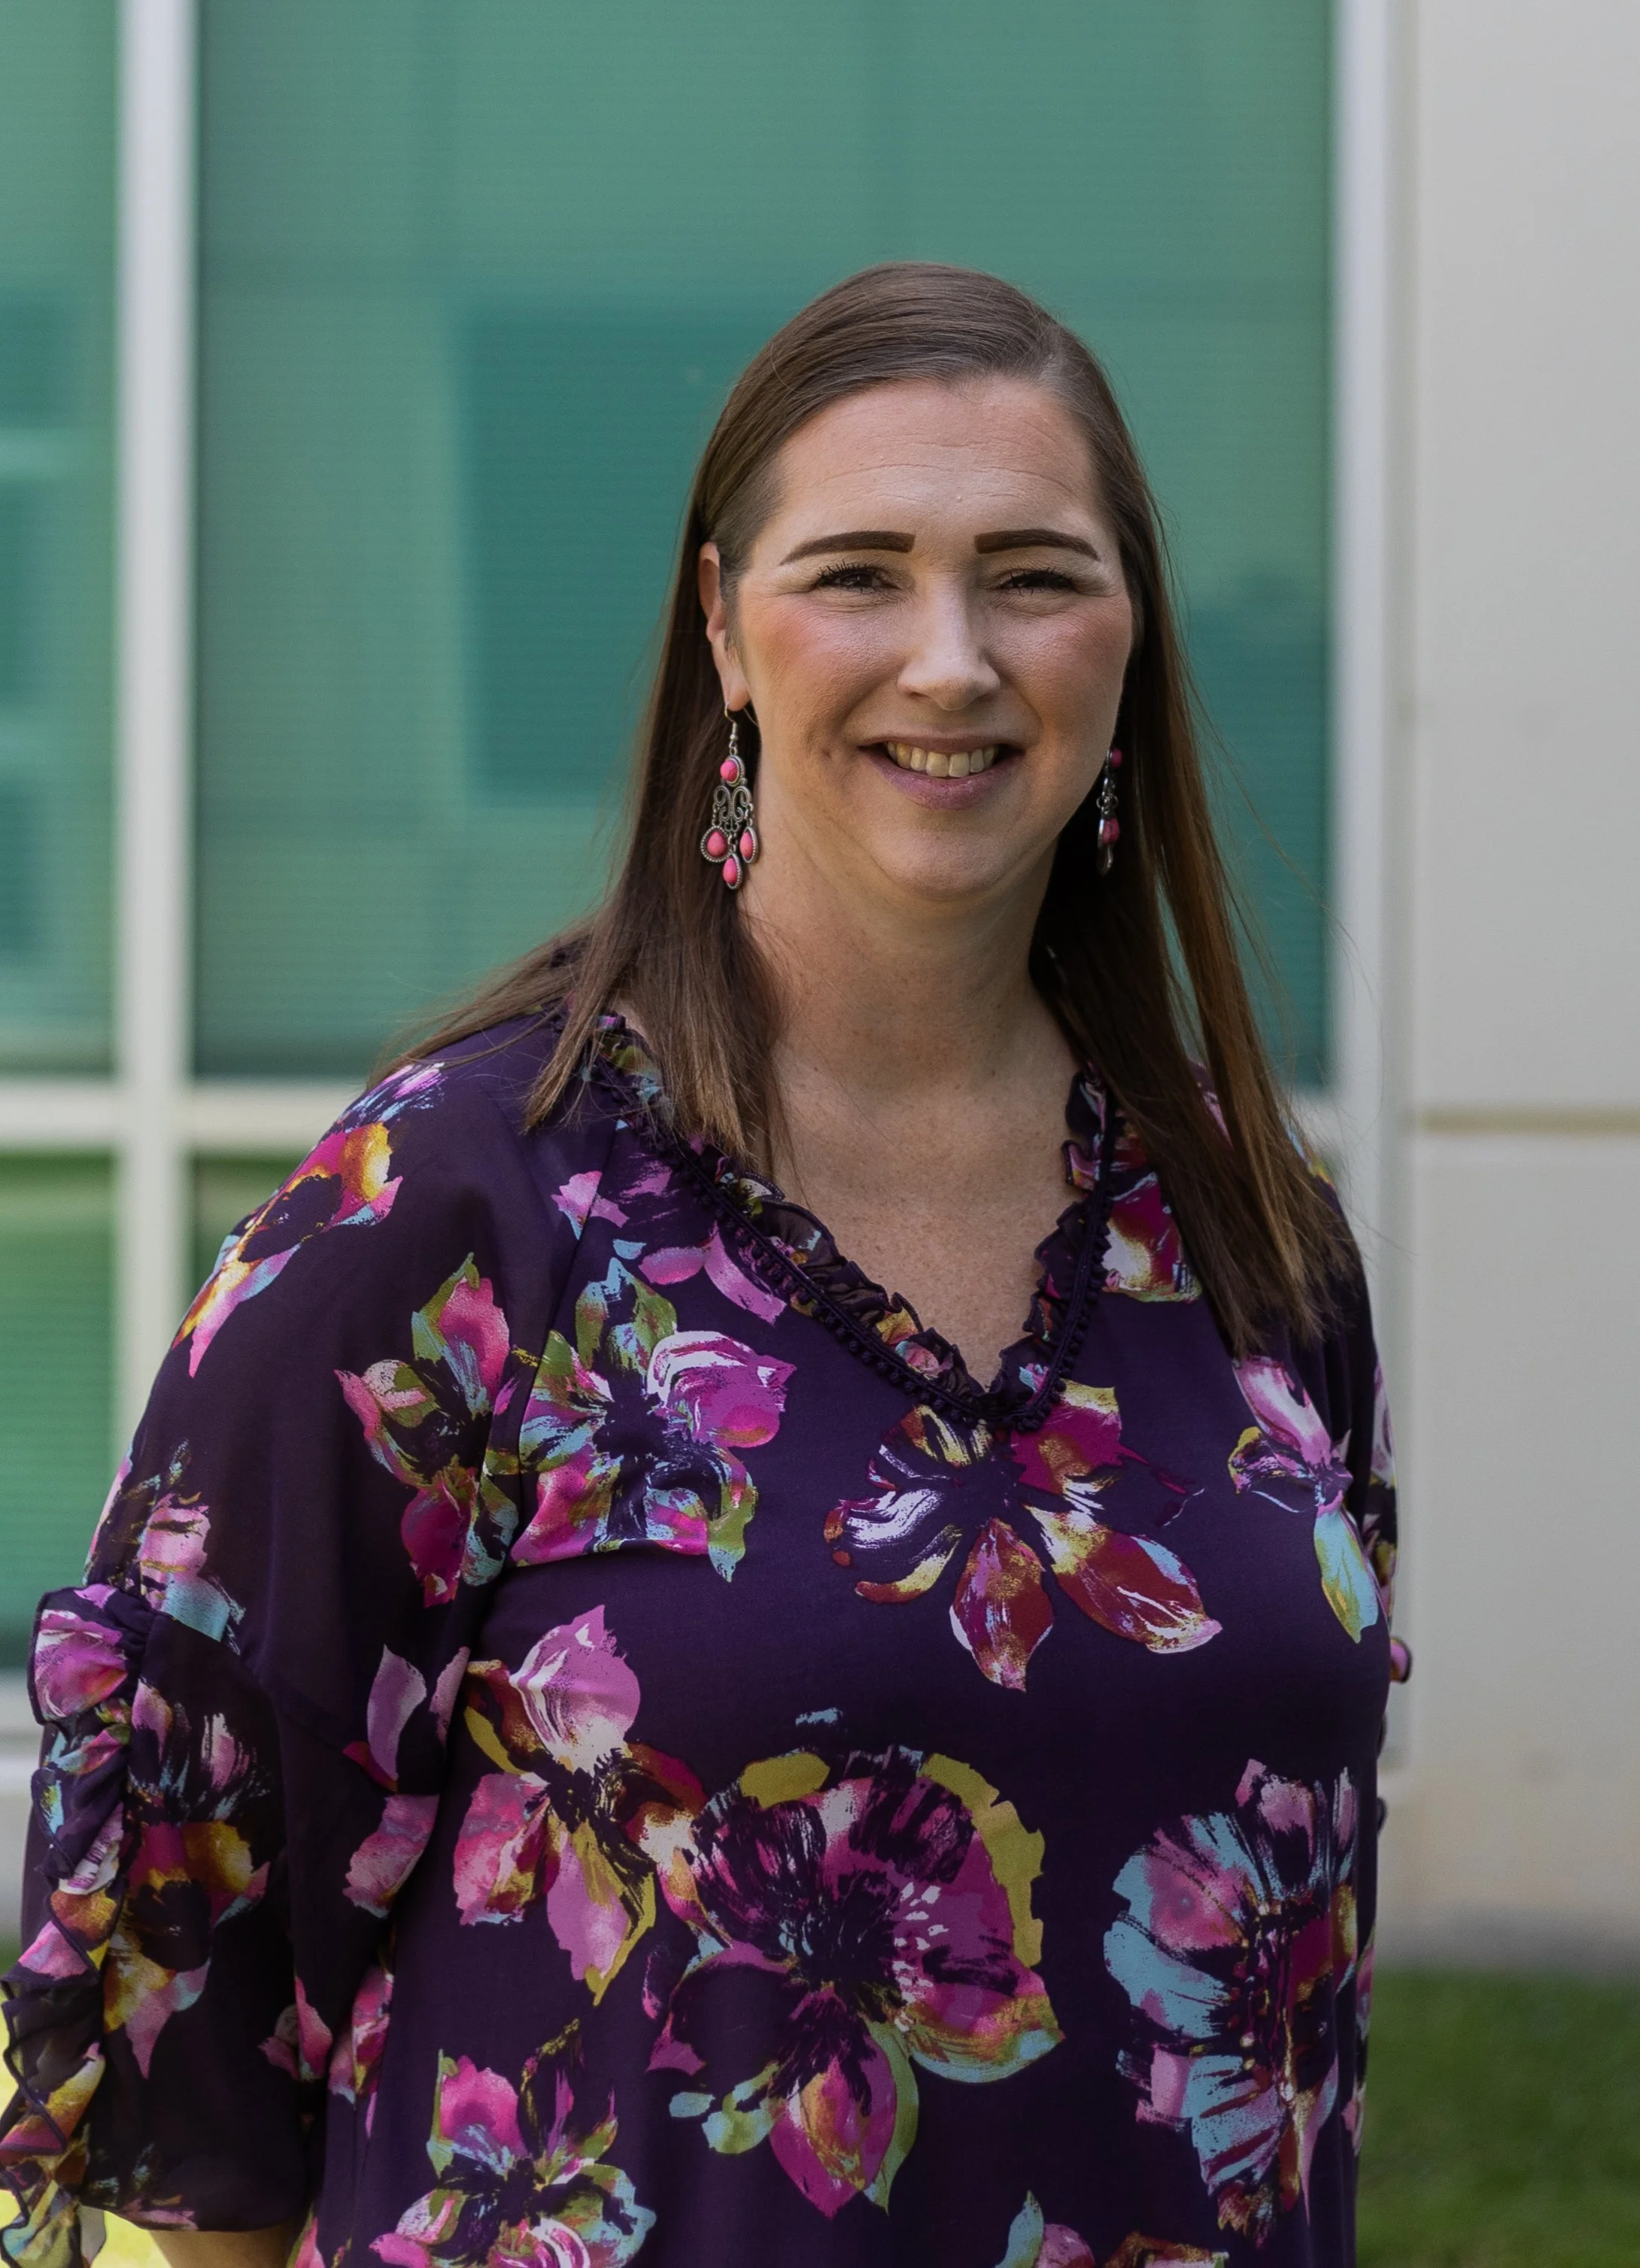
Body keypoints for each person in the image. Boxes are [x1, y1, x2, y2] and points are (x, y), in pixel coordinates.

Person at [1, 265, 1405, 2268]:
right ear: (720, 623)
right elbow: (197, 2028)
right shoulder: (458, 1209)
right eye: (858, 573)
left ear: (1128, 641)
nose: (949, 659)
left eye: (1031, 574)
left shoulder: (1252, 1231)